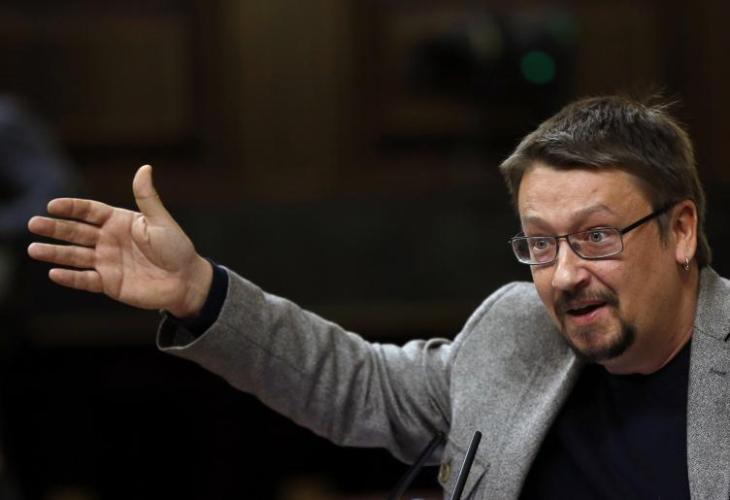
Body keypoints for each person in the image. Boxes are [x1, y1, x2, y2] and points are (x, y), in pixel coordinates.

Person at [25, 95, 728, 499]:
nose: (565, 274)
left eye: (596, 236)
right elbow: (356, 386)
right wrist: (198, 292)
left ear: (681, 231)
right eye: (540, 244)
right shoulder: (517, 328)